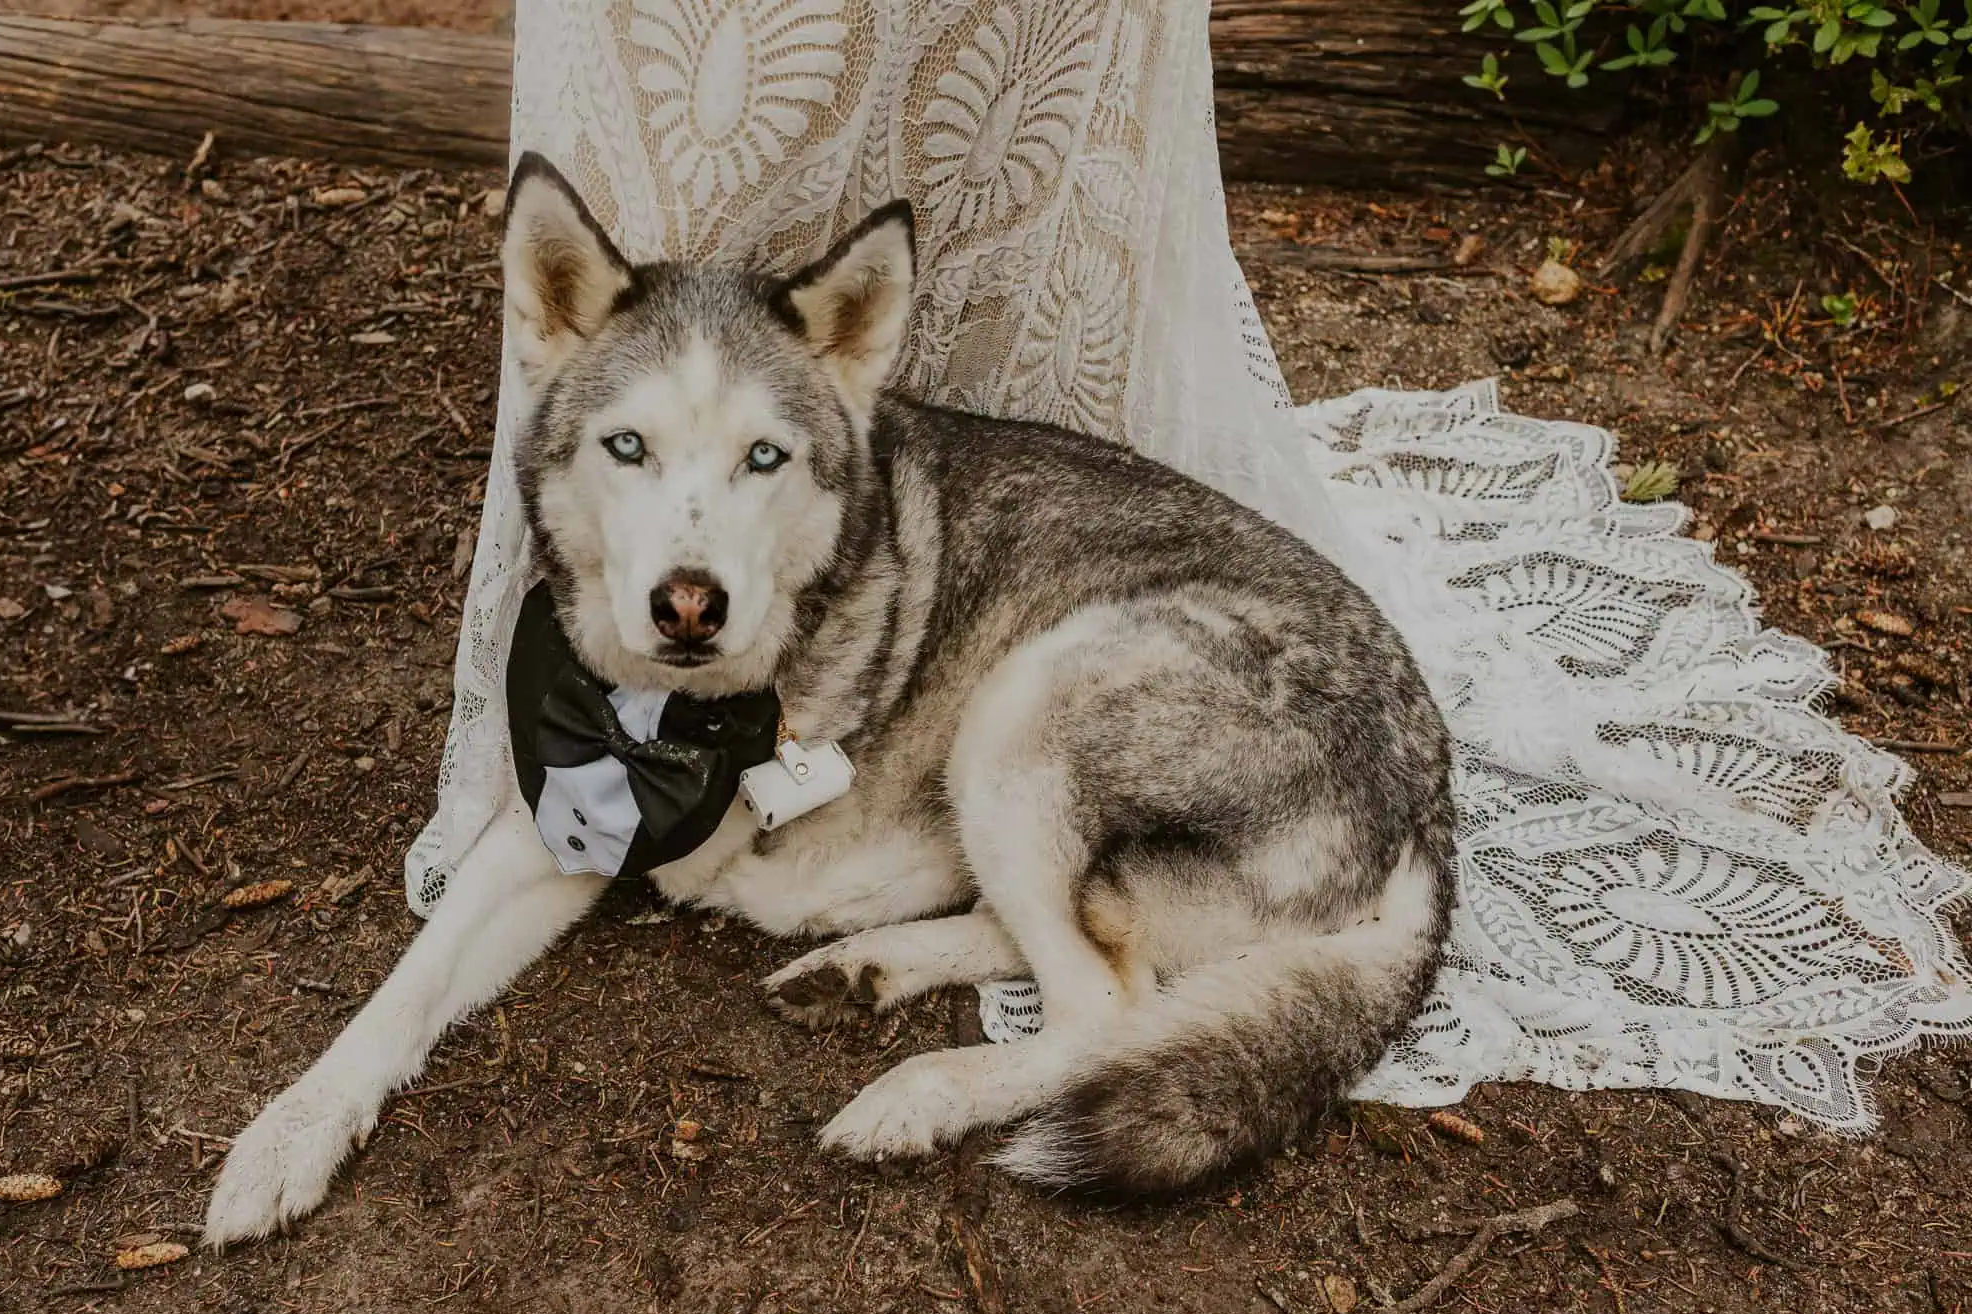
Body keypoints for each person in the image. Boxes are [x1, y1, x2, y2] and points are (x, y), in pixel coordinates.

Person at [409, 0, 1969, 1130]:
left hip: (1277, 768)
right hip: (1271, 760)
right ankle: (1005, 934)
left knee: (1037, 725)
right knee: (1015, 735)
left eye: (759, 457)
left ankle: (1065, 1044)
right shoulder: (644, 498)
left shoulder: (839, 468)